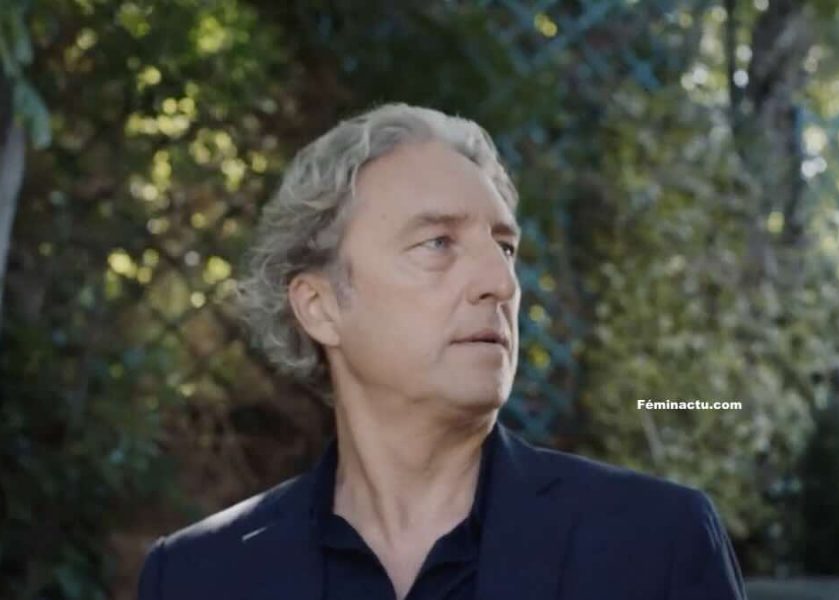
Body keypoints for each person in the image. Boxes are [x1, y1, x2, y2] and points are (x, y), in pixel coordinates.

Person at [136, 103, 747, 600]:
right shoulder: (198, 578)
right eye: (437, 243)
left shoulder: (655, 547)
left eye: (504, 247)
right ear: (319, 306)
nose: (500, 283)